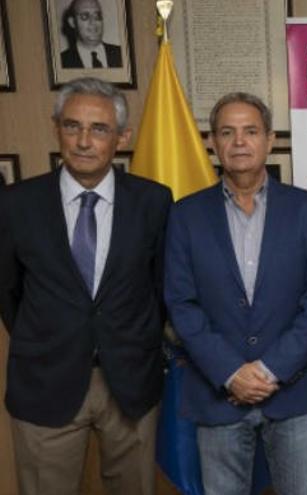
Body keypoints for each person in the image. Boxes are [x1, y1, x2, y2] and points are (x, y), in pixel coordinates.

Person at [0, 77, 171, 495]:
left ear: (121, 137)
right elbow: (8, 292)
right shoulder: (15, 204)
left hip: (130, 381)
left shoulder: (154, 202)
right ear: (56, 127)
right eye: (72, 126)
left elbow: (161, 287)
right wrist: (49, 338)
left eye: (98, 129)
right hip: (44, 381)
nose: (82, 141)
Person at [164, 92, 307, 495]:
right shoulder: (185, 215)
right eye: (227, 132)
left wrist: (270, 369)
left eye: (250, 131)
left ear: (270, 139)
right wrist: (230, 372)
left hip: (291, 390)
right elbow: (181, 303)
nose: (239, 142)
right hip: (217, 390)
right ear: (212, 142)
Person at [60, 0, 123, 69]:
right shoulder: (62, 62)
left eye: (97, 16)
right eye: (85, 16)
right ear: (72, 22)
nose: (93, 22)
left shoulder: (121, 54)